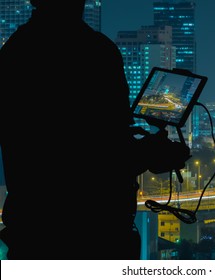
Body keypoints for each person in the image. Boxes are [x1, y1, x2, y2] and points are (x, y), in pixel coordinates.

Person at [0, 0, 188, 260]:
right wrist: (151, 153)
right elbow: (94, 155)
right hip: (96, 234)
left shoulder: (15, 49)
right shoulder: (95, 50)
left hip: (32, 230)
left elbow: (60, 143)